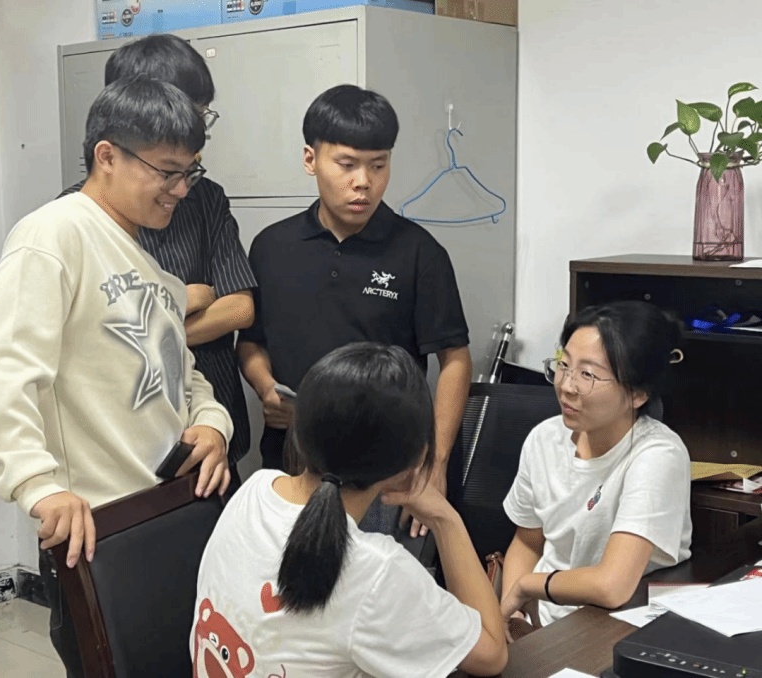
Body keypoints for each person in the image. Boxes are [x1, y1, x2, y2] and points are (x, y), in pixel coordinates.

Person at [0, 77, 233, 677]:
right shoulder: (52, 236)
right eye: (167, 172)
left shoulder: (143, 258)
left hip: (165, 509)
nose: (181, 190)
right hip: (99, 532)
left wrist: (212, 425)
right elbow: (5, 369)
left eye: (189, 172)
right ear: (107, 156)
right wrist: (37, 485)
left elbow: (184, 374)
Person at [237, 85, 472, 538]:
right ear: (311, 160)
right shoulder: (271, 246)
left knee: (379, 579)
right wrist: (265, 387)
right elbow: (251, 342)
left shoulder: (419, 253)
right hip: (289, 465)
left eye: (378, 165)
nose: (363, 181)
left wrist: (436, 464)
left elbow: (455, 360)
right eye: (347, 164)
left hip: (385, 475)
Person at [191, 343, 507, 678]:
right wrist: (446, 519)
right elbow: (492, 655)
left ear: (300, 429)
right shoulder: (378, 570)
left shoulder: (253, 490)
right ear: (417, 458)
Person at [60, 34, 256, 488]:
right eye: (190, 112)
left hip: (212, 430)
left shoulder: (204, 198)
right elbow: (89, 345)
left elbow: (239, 308)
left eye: (201, 115)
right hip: (118, 455)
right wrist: (186, 302)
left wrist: (148, 328)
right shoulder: (74, 222)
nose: (197, 132)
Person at [500, 300, 692, 632]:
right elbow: (528, 541)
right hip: (541, 622)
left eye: (587, 374)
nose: (566, 386)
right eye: (564, 366)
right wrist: (512, 613)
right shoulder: (544, 438)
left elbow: (612, 585)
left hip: (613, 625)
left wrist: (528, 586)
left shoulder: (658, 454)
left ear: (638, 393)